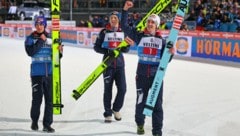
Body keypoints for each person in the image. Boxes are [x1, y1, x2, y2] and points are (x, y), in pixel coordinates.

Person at [121, 1, 175, 136]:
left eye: (153, 22)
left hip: (157, 77)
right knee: (140, 102)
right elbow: (125, 27)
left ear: (157, 26)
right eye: (148, 22)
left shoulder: (162, 42)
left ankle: (157, 131)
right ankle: (140, 124)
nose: (150, 24)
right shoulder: (140, 36)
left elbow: (165, 61)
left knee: (157, 104)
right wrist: (125, 11)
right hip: (142, 76)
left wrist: (171, 54)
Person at [93, 11, 134, 123]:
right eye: (112, 18)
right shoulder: (104, 32)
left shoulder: (123, 32)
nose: (113, 20)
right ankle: (108, 113)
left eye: (115, 18)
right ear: (109, 20)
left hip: (120, 65)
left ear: (119, 20)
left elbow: (126, 49)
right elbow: (96, 47)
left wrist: (127, 46)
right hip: (107, 65)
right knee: (108, 90)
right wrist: (107, 51)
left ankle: (116, 109)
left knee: (123, 89)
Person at [24, 16, 63, 133]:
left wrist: (60, 52)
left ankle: (47, 124)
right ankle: (34, 121)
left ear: (45, 25)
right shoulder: (30, 38)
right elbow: (31, 52)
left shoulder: (52, 37)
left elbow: (57, 57)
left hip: (50, 73)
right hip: (36, 74)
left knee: (49, 100)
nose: (39, 26)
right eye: (37, 24)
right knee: (37, 100)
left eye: (41, 24)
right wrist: (41, 40)